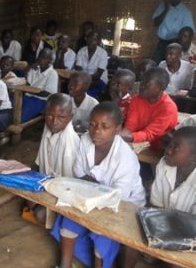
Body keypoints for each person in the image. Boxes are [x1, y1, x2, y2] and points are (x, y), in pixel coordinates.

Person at [52, 102, 145, 268]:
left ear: (117, 129)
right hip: (92, 196)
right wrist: (98, 188)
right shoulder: (85, 140)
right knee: (69, 218)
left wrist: (91, 184)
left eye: (104, 126)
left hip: (124, 206)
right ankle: (64, 264)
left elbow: (118, 197)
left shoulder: (126, 158)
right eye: (93, 124)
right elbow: (79, 173)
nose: (96, 131)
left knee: (102, 232)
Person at [151, 126, 196, 221]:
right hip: (164, 224)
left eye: (176, 148)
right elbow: (156, 205)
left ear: (194, 158)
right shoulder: (164, 164)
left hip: (195, 232)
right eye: (170, 144)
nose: (168, 150)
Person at [120, 67, 178, 150]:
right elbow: (130, 126)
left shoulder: (168, 108)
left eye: (147, 84)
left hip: (158, 149)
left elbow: (151, 134)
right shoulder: (137, 99)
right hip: (138, 142)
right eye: (142, 81)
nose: (141, 86)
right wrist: (118, 136)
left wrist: (123, 137)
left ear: (160, 88)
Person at [36, 93, 80, 178]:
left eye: (61, 117)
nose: (54, 121)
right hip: (45, 179)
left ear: (70, 117)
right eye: (49, 116)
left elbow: (69, 179)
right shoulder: (48, 126)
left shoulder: (68, 141)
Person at [152, 0, 194, 64]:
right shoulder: (162, 6)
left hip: (175, 44)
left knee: (171, 65)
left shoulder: (185, 12)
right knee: (156, 65)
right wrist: (166, 9)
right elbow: (155, 23)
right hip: (161, 44)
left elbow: (189, 32)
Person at [22, 48, 59, 123]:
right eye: (40, 57)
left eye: (44, 58)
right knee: (14, 103)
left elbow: (46, 94)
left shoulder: (52, 74)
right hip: (28, 96)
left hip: (41, 100)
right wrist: (28, 69)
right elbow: (27, 83)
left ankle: (16, 124)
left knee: (22, 115)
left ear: (50, 61)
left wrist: (30, 90)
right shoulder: (35, 68)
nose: (40, 60)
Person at [75, 31, 108, 98]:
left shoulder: (102, 53)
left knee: (86, 95)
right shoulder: (82, 51)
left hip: (98, 81)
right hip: (83, 80)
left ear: (98, 41)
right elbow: (78, 69)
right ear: (86, 39)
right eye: (89, 38)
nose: (91, 41)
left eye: (95, 39)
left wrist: (85, 80)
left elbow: (98, 75)